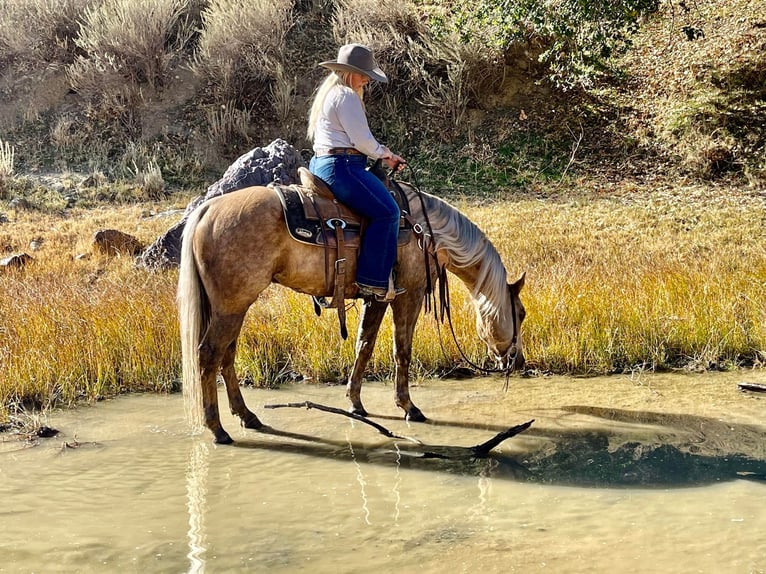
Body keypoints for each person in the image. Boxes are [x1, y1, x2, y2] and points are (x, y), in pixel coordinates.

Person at [307, 43, 407, 301]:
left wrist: (382, 153)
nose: (367, 79)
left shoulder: (331, 95)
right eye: (363, 74)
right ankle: (372, 281)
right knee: (388, 213)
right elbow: (361, 141)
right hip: (342, 168)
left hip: (322, 164)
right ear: (349, 72)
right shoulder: (347, 96)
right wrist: (385, 154)